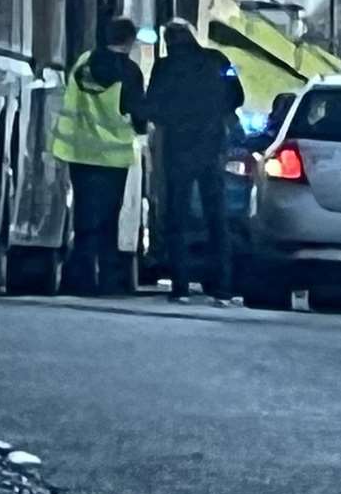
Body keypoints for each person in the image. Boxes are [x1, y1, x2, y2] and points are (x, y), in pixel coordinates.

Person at [146, 19, 244, 305]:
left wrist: (171, 121)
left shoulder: (163, 68)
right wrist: (216, 115)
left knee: (177, 218)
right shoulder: (217, 60)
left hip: (177, 148)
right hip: (212, 147)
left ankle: (180, 287)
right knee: (216, 218)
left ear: (168, 41)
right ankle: (222, 288)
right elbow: (237, 95)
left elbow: (153, 104)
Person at [51, 17, 146, 296]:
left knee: (83, 217)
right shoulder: (130, 72)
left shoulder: (83, 63)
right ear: (129, 41)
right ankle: (106, 280)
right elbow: (137, 114)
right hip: (113, 158)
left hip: (80, 151)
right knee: (108, 219)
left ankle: (79, 277)